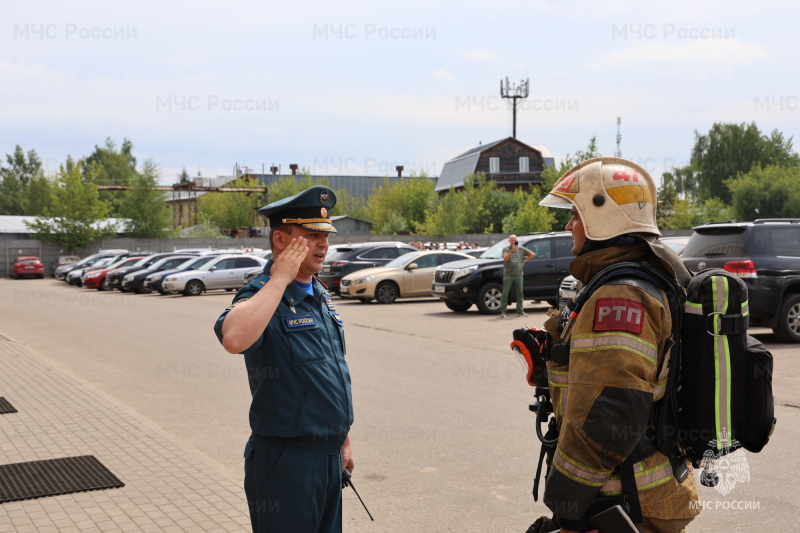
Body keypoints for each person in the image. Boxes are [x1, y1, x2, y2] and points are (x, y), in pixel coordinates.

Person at [536, 157, 700, 532]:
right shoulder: (635, 280)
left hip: (624, 499)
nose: (568, 225)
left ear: (602, 216)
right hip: (635, 491)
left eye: (575, 214)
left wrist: (568, 508)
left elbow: (608, 413)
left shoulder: (620, 294)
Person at [213, 185, 354, 533]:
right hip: (287, 461)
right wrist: (278, 281)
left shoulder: (318, 293)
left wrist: (343, 438)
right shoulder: (263, 294)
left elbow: (330, 375)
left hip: (328, 456)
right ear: (280, 239)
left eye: (326, 235)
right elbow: (233, 338)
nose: (323, 243)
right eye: (311, 234)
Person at [500, 235, 535, 318]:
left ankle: (520, 311)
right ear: (509, 241)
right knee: (505, 293)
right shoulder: (506, 249)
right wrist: (512, 251)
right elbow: (505, 258)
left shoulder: (521, 249)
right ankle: (503, 311)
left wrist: (525, 260)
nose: (513, 242)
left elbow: (532, 254)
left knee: (519, 293)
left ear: (517, 241)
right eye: (511, 240)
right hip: (508, 274)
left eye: (514, 240)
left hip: (518, 273)